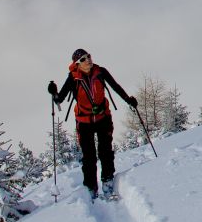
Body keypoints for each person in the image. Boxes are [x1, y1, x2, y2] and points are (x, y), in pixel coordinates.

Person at [48, 48, 136, 200]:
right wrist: (54, 93)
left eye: (88, 56)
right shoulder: (73, 78)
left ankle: (107, 182)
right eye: (83, 59)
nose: (87, 60)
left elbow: (115, 86)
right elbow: (59, 99)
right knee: (89, 157)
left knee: (106, 151)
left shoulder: (100, 72)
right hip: (84, 122)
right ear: (77, 64)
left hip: (103, 117)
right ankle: (91, 187)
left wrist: (128, 100)